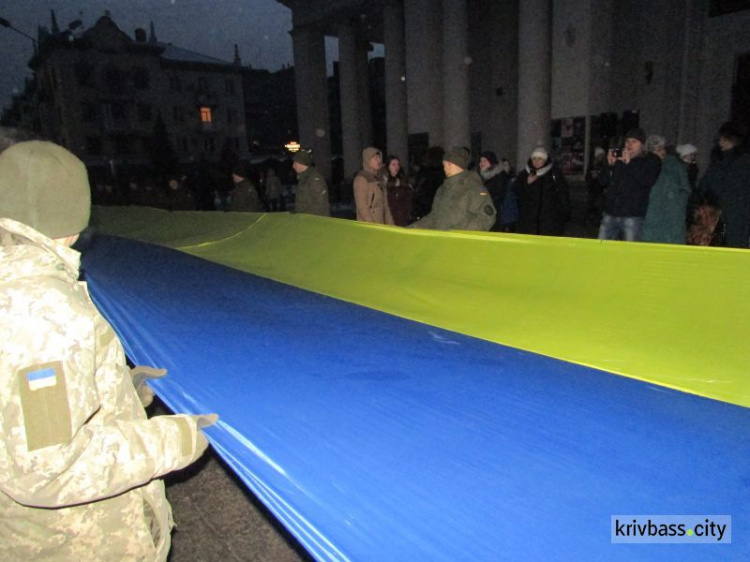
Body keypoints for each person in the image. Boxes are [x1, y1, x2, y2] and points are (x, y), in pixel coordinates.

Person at [0, 139, 216, 560]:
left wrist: (117, 391)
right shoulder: (41, 310)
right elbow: (48, 469)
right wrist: (173, 439)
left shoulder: (14, 282)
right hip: (78, 542)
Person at [598, 127, 662, 241]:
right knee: (603, 250)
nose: (629, 145)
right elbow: (602, 182)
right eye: (627, 141)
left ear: (642, 144)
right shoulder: (620, 158)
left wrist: (629, 164)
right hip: (610, 214)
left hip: (632, 216)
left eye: (634, 142)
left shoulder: (651, 160)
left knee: (630, 251)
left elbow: (647, 181)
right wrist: (609, 166)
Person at [410, 147, 496, 231]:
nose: (446, 168)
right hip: (442, 241)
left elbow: (486, 218)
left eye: (449, 164)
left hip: (461, 242)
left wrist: (458, 231)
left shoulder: (473, 187)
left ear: (460, 165)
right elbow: (434, 217)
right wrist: (414, 227)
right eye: (444, 164)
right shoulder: (442, 189)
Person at [697, 121, 750, 248]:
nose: (719, 142)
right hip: (740, 216)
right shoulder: (746, 162)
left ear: (728, 139)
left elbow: (706, 186)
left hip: (719, 215)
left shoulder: (719, 162)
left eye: (721, 138)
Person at [641, 135, 691, 244]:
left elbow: (685, 190)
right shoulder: (645, 164)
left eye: (660, 149)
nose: (659, 152)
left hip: (669, 216)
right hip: (654, 216)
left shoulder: (675, 166)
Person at [513, 146, 571, 236]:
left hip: (549, 223)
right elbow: (517, 193)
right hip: (528, 223)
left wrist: (563, 216)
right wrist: (526, 184)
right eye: (534, 158)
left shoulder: (554, 174)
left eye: (540, 158)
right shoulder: (524, 174)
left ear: (545, 160)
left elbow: (563, 195)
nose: (536, 161)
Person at [353, 147, 394, 224]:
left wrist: (391, 225)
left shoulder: (379, 178)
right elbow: (362, 207)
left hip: (380, 223)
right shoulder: (361, 178)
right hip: (368, 225)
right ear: (367, 160)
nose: (379, 160)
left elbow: (385, 205)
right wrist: (372, 225)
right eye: (375, 158)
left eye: (379, 157)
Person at [411, 146, 445, 222]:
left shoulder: (427, 172)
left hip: (426, 206)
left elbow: (420, 190)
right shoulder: (443, 172)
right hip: (437, 206)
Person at [292, 149, 330, 216]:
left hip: (313, 222)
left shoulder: (314, 179)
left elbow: (321, 205)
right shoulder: (303, 179)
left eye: (295, 163)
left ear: (302, 163)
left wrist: (304, 215)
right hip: (306, 220)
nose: (293, 166)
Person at [478, 151, 507, 232]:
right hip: (481, 213)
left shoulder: (499, 176)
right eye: (480, 160)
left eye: (485, 161)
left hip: (493, 213)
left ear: (491, 162)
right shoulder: (480, 176)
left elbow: (499, 195)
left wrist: (482, 195)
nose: (481, 163)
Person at [384, 155, 413, 227]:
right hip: (390, 216)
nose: (396, 167)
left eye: (398, 164)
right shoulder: (384, 181)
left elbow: (408, 199)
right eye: (393, 164)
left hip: (403, 217)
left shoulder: (403, 181)